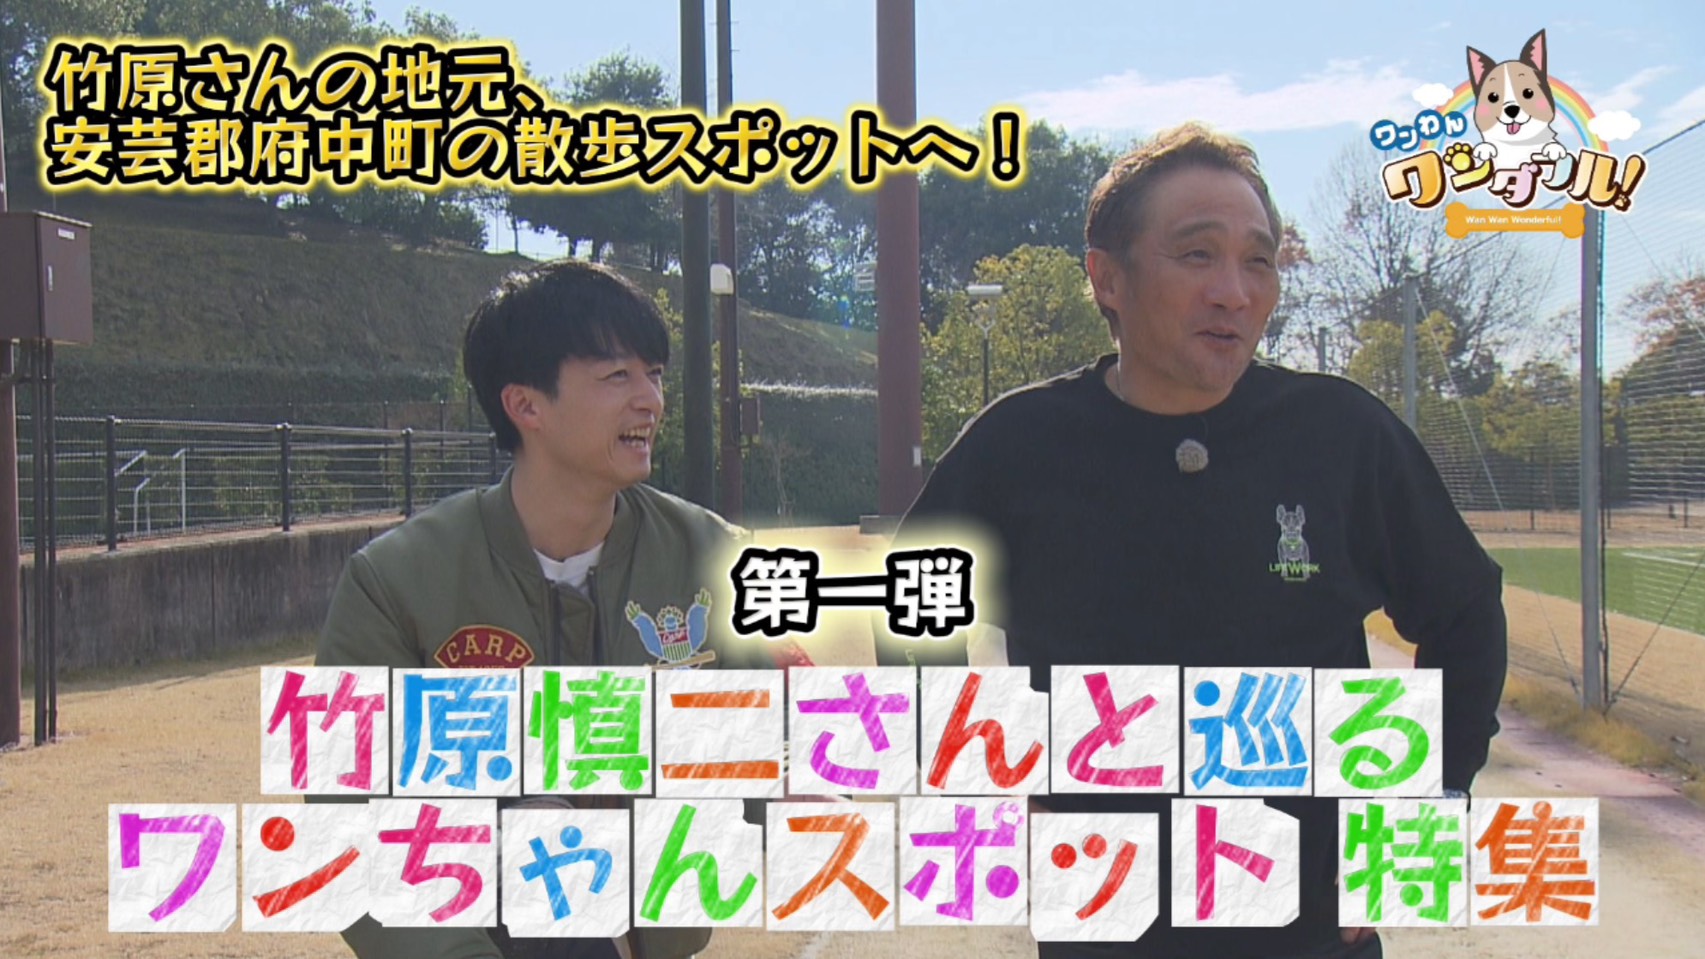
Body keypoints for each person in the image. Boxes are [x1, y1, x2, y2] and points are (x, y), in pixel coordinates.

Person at [878, 122, 1508, 958]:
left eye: (1258, 261)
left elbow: (1464, 610)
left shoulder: (1339, 433)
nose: (1233, 292)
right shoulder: (1018, 445)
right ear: (1107, 277)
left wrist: (1424, 811)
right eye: (1197, 255)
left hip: (1308, 928)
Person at [316, 259, 772, 959]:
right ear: (526, 405)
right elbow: (351, 817)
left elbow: (767, 751)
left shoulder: (712, 557)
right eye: (617, 376)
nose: (650, 400)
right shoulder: (396, 582)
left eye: (654, 373)